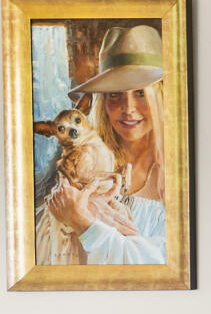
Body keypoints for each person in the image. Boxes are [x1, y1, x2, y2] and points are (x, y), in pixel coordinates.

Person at [35, 23, 171, 266]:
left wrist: (82, 222)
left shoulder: (177, 176)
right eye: (114, 95)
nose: (128, 109)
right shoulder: (82, 162)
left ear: (159, 95)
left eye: (140, 93)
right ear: (102, 102)